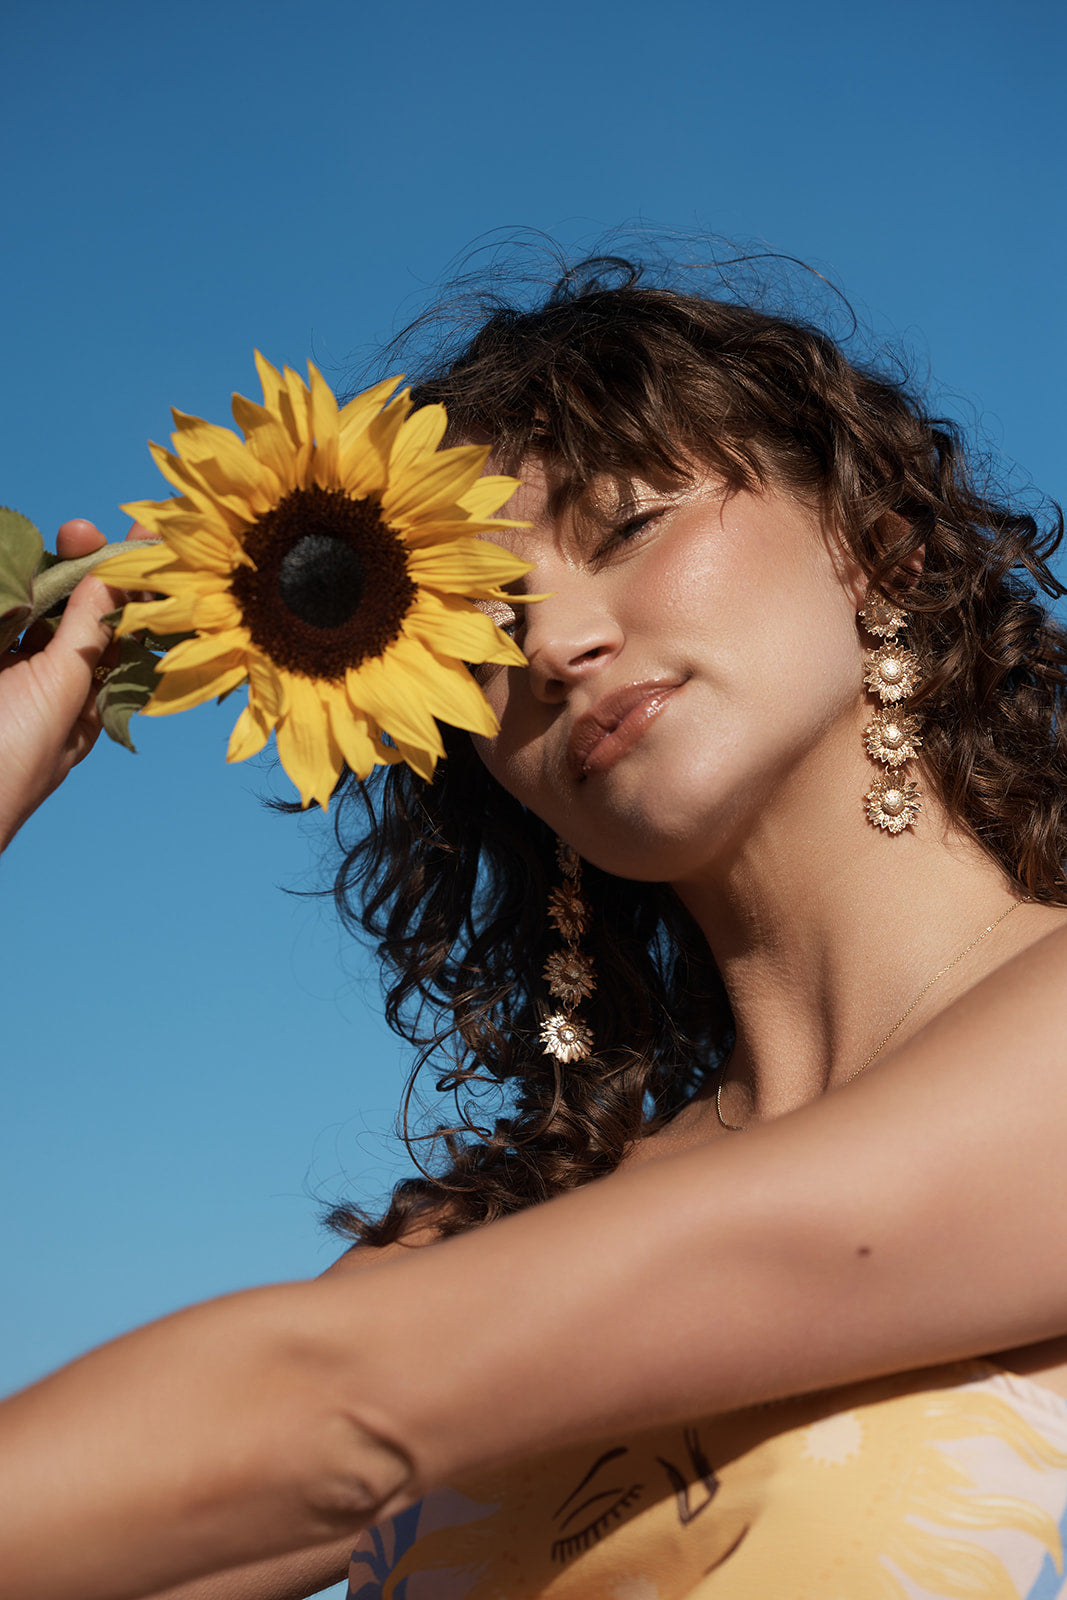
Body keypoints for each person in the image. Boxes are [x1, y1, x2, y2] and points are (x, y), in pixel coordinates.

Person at [3, 255, 1067, 1600]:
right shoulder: (485, 1240)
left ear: (876, 533)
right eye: (483, 631)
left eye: (628, 528)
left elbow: (328, 1417)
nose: (554, 646)